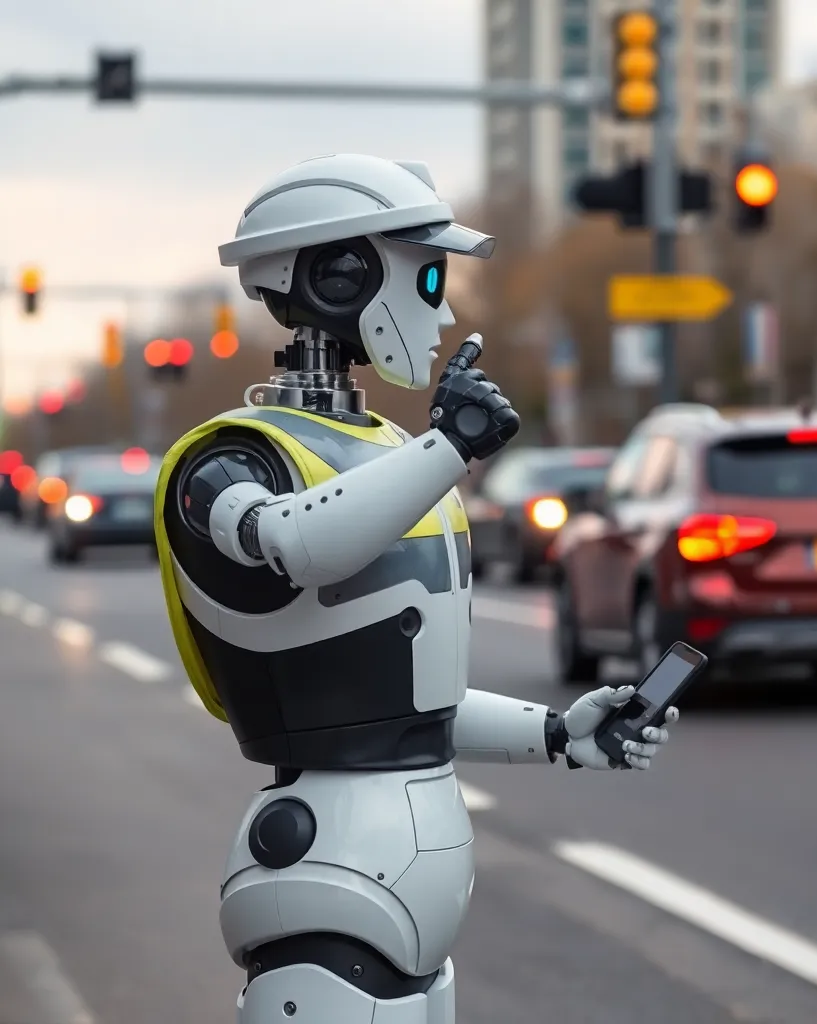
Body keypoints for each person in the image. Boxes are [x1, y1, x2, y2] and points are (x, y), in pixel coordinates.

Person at [153, 153, 677, 1024]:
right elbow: (297, 542)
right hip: (330, 868)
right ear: (340, 273)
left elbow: (408, 701)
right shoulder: (228, 458)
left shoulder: (392, 453)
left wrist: (558, 732)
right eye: (426, 273)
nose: (441, 307)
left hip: (406, 871)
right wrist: (450, 448)